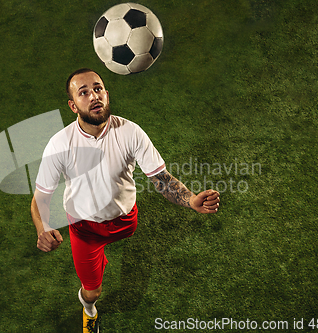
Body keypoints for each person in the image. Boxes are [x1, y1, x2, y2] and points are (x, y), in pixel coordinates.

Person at [31, 68, 220, 333]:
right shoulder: (59, 144)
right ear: (73, 105)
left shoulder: (130, 132)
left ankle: (102, 258)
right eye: (84, 92)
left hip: (125, 221)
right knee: (93, 291)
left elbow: (161, 178)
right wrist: (43, 227)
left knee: (127, 236)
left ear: (107, 95)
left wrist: (190, 200)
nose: (94, 96)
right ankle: (89, 312)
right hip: (85, 229)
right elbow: (41, 196)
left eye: (98, 89)